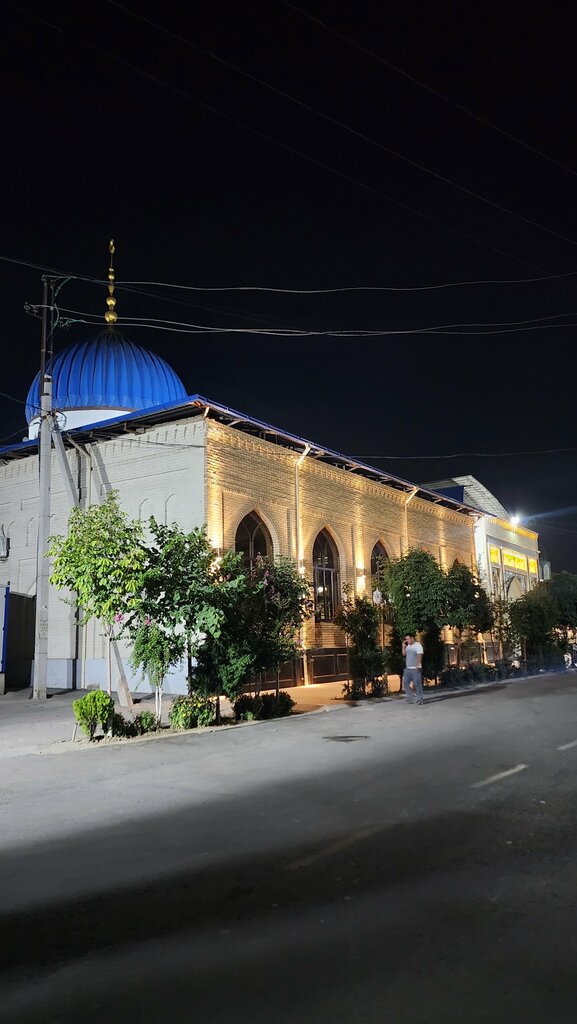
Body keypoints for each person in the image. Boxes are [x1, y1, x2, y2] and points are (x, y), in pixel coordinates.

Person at [402, 633, 424, 705]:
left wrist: (417, 666)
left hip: (415, 668)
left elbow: (419, 655)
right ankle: (410, 697)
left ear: (412, 638)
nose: (407, 640)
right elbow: (404, 654)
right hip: (408, 668)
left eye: (408, 639)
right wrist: (403, 647)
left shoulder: (418, 645)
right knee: (405, 683)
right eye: (406, 639)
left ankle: (420, 699)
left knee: (417, 684)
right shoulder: (407, 646)